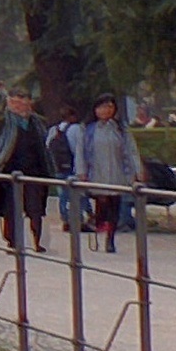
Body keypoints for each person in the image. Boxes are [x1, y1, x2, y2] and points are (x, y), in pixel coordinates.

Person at [0, 86, 56, 262]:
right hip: (9, 174)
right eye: (14, 103)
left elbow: (45, 148)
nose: (19, 106)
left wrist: (48, 171)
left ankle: (37, 240)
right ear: (9, 103)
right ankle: (13, 242)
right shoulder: (1, 124)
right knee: (11, 209)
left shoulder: (38, 123)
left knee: (36, 208)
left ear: (29, 104)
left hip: (35, 173)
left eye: (22, 102)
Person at [70, 94, 143, 252]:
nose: (106, 110)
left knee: (115, 206)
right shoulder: (87, 129)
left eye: (110, 107)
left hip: (117, 173)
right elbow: (80, 152)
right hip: (96, 173)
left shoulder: (120, 129)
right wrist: (81, 171)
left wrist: (137, 171)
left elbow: (131, 151)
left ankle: (110, 239)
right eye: (103, 107)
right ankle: (98, 224)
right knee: (102, 204)